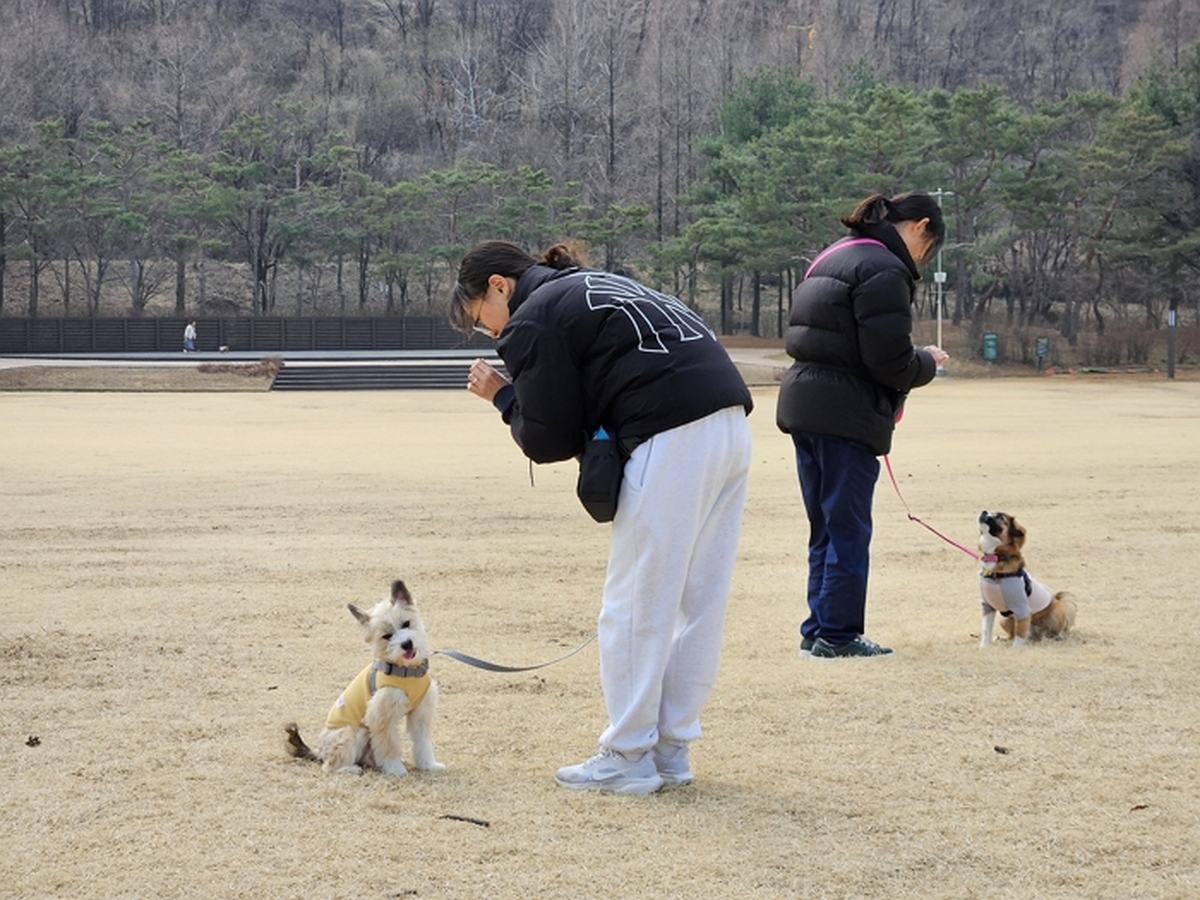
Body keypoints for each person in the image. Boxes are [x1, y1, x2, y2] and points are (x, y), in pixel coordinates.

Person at [450, 240, 753, 795]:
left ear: (499, 285)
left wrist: (503, 397)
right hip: (730, 423)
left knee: (636, 602)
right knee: (698, 599)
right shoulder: (596, 284)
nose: (491, 334)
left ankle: (628, 756)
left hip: (669, 431)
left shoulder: (531, 317)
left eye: (480, 318)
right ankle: (670, 749)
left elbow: (548, 436)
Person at [775, 191, 949, 659]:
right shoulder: (884, 270)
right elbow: (888, 360)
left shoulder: (834, 254)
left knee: (825, 526)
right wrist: (927, 363)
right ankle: (839, 634)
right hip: (845, 412)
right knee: (848, 527)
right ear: (920, 227)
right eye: (927, 248)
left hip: (805, 404)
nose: (921, 258)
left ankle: (819, 627)